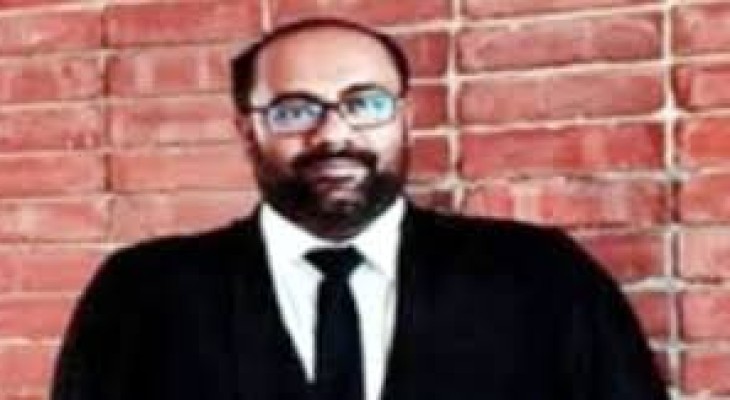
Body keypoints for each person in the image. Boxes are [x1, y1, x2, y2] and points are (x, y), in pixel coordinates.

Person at [51, 18, 670, 400]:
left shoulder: (540, 278)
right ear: (247, 131)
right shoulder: (143, 296)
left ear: (405, 117)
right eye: (294, 110)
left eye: (365, 103)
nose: (333, 134)